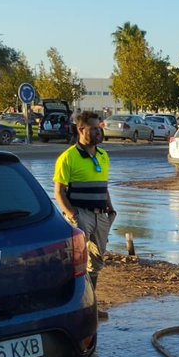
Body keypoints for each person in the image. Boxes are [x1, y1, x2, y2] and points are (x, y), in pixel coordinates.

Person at [53, 111, 116, 292]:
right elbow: (59, 192)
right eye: (94, 128)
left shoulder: (103, 155)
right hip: (81, 215)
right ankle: (73, 300)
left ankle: (91, 302)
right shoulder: (68, 157)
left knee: (96, 262)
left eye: (99, 128)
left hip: (101, 216)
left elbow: (104, 187)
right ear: (81, 129)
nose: (98, 132)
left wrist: (111, 211)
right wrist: (73, 216)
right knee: (76, 260)